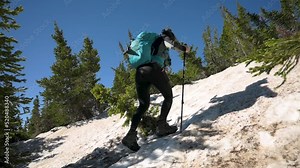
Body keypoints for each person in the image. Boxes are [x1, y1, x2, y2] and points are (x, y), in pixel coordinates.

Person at [122, 28, 190, 151]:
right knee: (168, 96)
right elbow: (171, 44)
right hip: (152, 69)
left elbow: (165, 60)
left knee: (143, 105)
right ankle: (162, 126)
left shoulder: (153, 44)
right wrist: (184, 48)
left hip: (140, 72)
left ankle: (130, 135)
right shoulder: (162, 39)